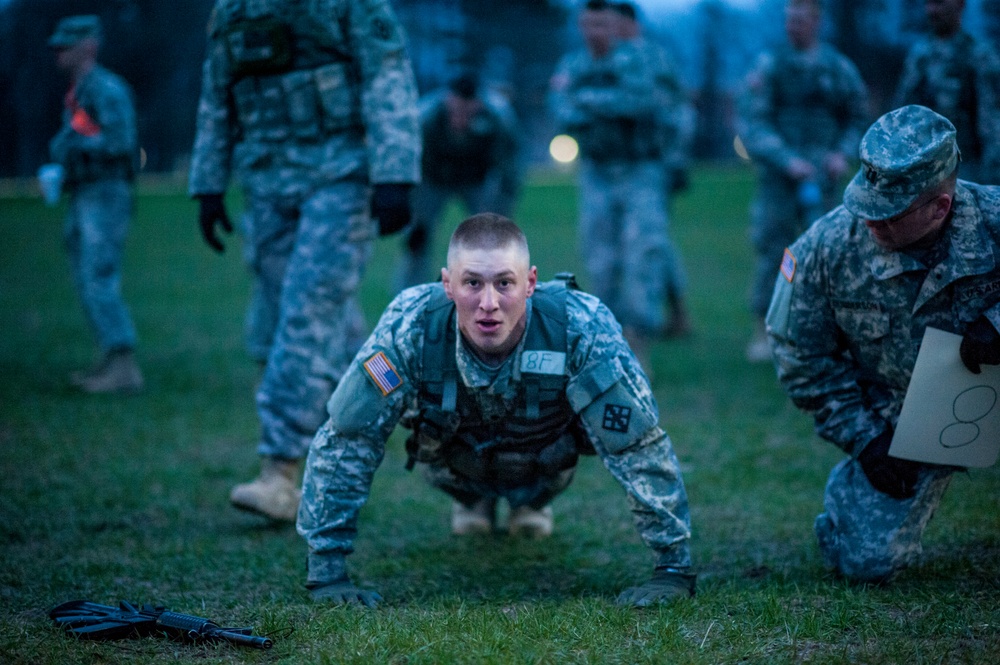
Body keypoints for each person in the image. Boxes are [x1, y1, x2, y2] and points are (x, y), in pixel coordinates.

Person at [297, 213, 696, 607]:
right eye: (472, 283)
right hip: (453, 469)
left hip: (546, 469)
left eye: (505, 283)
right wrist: (327, 570)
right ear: (447, 284)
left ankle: (528, 505)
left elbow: (639, 446)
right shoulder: (411, 325)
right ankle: (475, 503)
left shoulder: (579, 326)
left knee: (601, 445)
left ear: (531, 284)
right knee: (372, 428)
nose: (489, 304)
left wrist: (672, 568)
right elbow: (347, 438)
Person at [188, 0, 421, 522]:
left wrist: (394, 173)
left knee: (306, 310)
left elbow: (387, 77)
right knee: (302, 317)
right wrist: (208, 182)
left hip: (340, 174)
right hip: (267, 178)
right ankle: (389, 404)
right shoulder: (233, 9)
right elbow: (217, 94)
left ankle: (280, 472)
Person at [767, 105, 1000, 583]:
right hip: (909, 413)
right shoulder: (824, 249)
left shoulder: (995, 220)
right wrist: (866, 438)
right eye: (865, 203)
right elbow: (800, 358)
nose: (871, 221)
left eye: (891, 214)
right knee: (867, 563)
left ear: (940, 206)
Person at [737, 0, 868, 362]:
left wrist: (842, 153)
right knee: (774, 250)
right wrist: (785, 159)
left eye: (800, 20)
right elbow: (753, 122)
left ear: (817, 22)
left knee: (831, 253)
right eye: (788, 20)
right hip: (780, 178)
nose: (793, 27)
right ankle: (764, 331)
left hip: (825, 179)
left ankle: (830, 332)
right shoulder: (770, 66)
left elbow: (858, 117)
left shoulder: (838, 68)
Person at [550, 0, 673, 369]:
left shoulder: (636, 59)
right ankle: (607, 341)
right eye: (588, 25)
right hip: (597, 172)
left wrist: (587, 100)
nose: (595, 33)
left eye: (602, 25)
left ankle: (639, 344)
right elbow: (560, 109)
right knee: (600, 258)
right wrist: (601, 105)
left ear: (613, 27)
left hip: (639, 171)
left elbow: (641, 102)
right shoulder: (573, 65)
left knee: (640, 255)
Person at [47, 15, 143, 394]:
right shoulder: (80, 91)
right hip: (84, 191)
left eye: (65, 46)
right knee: (87, 277)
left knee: (99, 279)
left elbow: (121, 143)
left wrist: (73, 147)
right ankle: (109, 359)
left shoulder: (105, 89)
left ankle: (123, 368)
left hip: (105, 193)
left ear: (87, 47)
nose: (58, 53)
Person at [610, 1, 692, 338]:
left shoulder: (653, 59)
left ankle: (663, 315)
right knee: (648, 242)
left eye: (617, 25)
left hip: (650, 165)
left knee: (646, 243)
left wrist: (673, 158)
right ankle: (676, 312)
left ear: (632, 24)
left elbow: (674, 110)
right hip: (615, 167)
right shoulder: (609, 60)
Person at [396, 71, 521, 288]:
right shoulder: (426, 117)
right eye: (457, 110)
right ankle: (408, 292)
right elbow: (408, 160)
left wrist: (503, 209)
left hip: (476, 180)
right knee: (417, 239)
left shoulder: (497, 117)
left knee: (494, 238)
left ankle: (499, 287)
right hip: (432, 179)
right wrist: (410, 205)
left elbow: (510, 164)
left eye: (467, 111)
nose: (461, 118)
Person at [893, 0, 1000, 185]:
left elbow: (991, 124)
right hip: (924, 170)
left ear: (960, 5)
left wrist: (990, 179)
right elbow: (901, 115)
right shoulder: (920, 55)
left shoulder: (978, 55)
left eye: (939, 3)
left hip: (967, 171)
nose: (931, 10)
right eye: (928, 4)